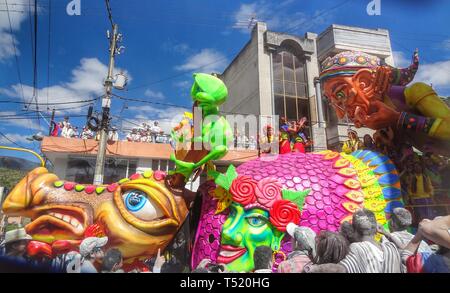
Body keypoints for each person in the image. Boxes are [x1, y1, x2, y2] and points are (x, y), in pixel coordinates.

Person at [339, 209, 404, 273]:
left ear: (354, 230)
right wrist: (386, 233)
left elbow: (340, 269)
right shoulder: (391, 248)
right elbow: (407, 252)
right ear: (377, 228)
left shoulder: (356, 248)